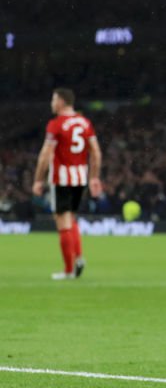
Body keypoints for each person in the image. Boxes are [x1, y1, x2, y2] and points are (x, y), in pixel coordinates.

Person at [31, 88, 102, 280]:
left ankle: (69, 270)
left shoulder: (56, 125)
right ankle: (78, 257)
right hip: (80, 178)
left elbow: (45, 155)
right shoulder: (85, 122)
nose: (52, 103)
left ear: (62, 101)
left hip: (62, 179)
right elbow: (95, 151)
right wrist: (94, 177)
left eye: (54, 99)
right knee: (70, 219)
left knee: (62, 221)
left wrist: (38, 179)